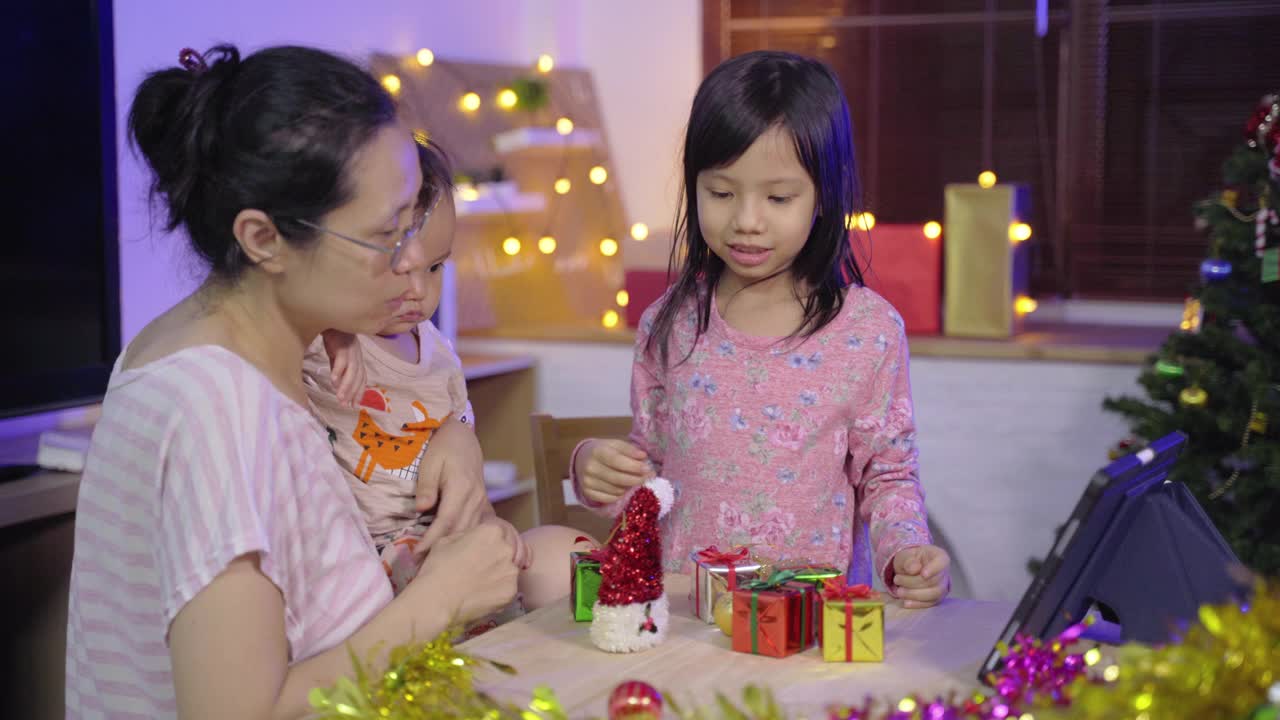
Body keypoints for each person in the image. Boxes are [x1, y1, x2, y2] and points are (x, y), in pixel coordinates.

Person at [66, 45, 517, 719]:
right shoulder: (216, 410)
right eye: (388, 235)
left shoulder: (233, 351)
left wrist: (453, 433)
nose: (412, 263)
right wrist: (441, 601)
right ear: (264, 240)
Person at [571, 50, 950, 608]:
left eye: (778, 197)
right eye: (721, 193)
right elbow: (647, 470)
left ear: (826, 194)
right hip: (686, 611)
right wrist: (591, 470)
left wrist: (907, 553)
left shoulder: (868, 332)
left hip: (810, 622)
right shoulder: (668, 324)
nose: (746, 219)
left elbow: (889, 477)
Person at [303, 139, 582, 612]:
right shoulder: (323, 342)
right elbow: (288, 301)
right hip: (375, 557)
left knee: (567, 553)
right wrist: (333, 326)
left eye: (435, 268)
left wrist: (491, 527)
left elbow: (464, 471)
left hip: (452, 537)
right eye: (399, 267)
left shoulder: (438, 354)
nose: (418, 291)